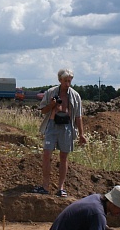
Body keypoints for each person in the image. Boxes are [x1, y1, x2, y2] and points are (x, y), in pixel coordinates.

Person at [32, 68, 87, 197]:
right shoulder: (51, 92)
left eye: (69, 81)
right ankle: (45, 186)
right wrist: (52, 105)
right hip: (52, 125)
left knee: (64, 157)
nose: (67, 84)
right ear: (59, 80)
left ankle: (61, 188)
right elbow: (43, 110)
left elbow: (78, 116)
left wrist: (81, 134)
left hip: (67, 127)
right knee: (47, 154)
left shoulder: (75, 96)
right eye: (65, 81)